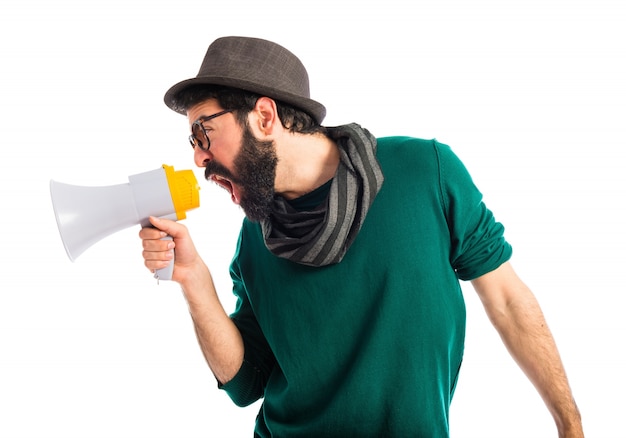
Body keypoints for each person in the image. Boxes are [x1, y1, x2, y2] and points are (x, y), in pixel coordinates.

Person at [140, 36, 583, 437]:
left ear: (264, 115)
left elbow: (507, 300)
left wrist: (570, 423)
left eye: (204, 132)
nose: (199, 158)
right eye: (192, 141)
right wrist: (194, 280)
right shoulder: (255, 238)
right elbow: (244, 384)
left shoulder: (424, 171)